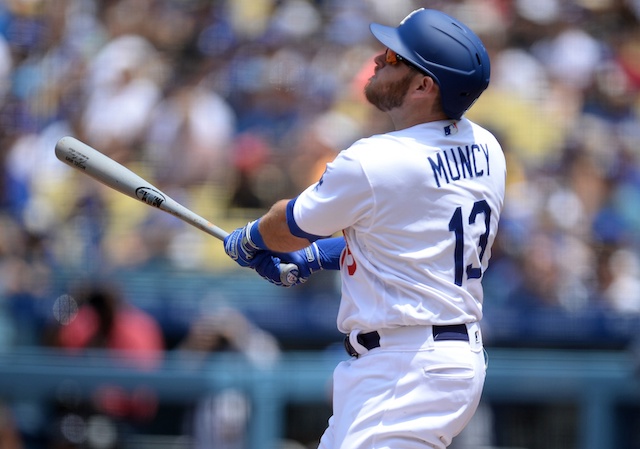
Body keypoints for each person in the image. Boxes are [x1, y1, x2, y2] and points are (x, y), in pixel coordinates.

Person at [223, 8, 505, 449]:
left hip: (405, 364)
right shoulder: (487, 147)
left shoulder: (376, 159)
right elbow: (408, 240)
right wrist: (321, 255)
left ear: (424, 85)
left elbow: (286, 228)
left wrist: (249, 239)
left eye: (395, 57)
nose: (378, 59)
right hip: (437, 358)